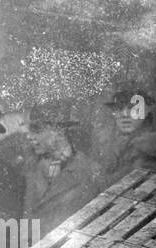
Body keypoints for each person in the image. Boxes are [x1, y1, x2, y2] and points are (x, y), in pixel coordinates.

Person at [22, 99, 101, 235]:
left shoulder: (89, 171)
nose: (29, 136)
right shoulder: (32, 167)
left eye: (36, 129)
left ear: (59, 130)